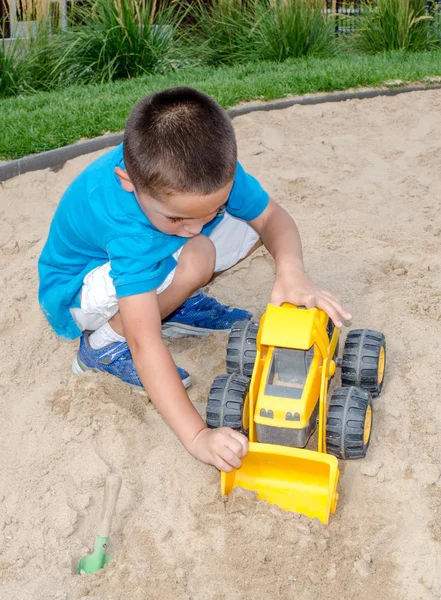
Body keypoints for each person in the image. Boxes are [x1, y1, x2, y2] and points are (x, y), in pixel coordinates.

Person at [38, 87, 351, 474]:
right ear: (128, 181)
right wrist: (198, 436)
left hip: (141, 256)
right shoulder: (127, 227)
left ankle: (178, 298)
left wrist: (292, 272)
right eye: (175, 218)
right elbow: (145, 340)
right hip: (79, 289)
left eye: (212, 208)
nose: (193, 226)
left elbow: (272, 218)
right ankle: (102, 345)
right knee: (196, 252)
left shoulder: (203, 175)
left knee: (247, 227)